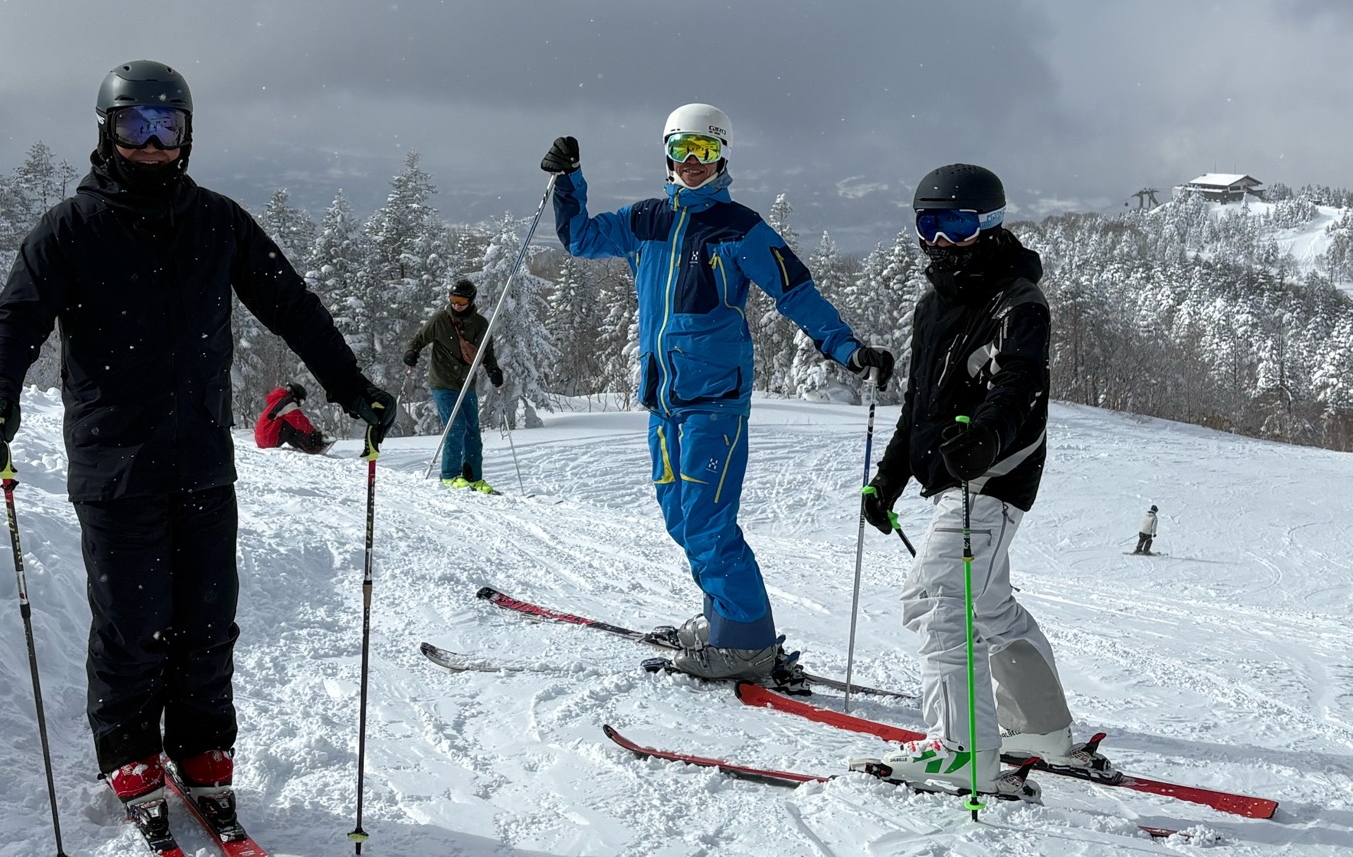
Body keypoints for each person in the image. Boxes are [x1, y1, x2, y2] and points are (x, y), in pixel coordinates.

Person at [0, 61, 396, 843]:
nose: (155, 143)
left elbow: (290, 305)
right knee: (132, 622)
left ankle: (201, 751)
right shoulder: (70, 229)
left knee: (207, 621)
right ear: (108, 132)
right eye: (137, 126)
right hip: (114, 462)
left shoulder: (217, 222)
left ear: (188, 134)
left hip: (200, 458)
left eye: (169, 126)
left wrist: (348, 385)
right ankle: (129, 754)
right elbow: (15, 320)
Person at [539, 106, 892, 681]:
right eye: (683, 150)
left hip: (714, 402)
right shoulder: (646, 219)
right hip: (664, 401)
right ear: (668, 153)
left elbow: (795, 290)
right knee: (682, 519)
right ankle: (725, 619)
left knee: (708, 523)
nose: (692, 163)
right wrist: (568, 180)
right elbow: (579, 239)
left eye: (704, 152)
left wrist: (846, 348)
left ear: (722, 155)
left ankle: (746, 643)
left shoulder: (740, 227)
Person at [853, 163, 1109, 801]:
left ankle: (962, 753)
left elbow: (1020, 384)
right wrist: (888, 479)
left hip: (991, 480)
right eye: (928, 224)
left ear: (989, 225)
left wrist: (989, 436)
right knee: (988, 606)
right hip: (952, 478)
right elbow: (918, 408)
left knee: (940, 600)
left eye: (956, 225)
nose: (941, 241)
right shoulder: (933, 305)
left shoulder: (1018, 300)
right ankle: (1041, 731)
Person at [403, 278, 504, 492]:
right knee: (455, 426)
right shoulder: (440, 320)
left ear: (470, 301)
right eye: (452, 299)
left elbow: (488, 354)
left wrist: (493, 370)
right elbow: (419, 339)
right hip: (443, 383)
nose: (456, 305)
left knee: (473, 431)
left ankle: (473, 478)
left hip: (466, 384)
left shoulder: (480, 324)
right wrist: (411, 353)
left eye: (460, 301)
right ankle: (449, 475)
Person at [254, 381, 331, 454]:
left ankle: (308, 445)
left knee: (288, 426)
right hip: (268, 440)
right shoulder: (287, 402)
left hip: (262, 439)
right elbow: (299, 421)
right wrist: (315, 434)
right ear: (295, 396)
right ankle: (313, 446)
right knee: (293, 426)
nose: (299, 404)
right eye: (300, 401)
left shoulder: (278, 400)